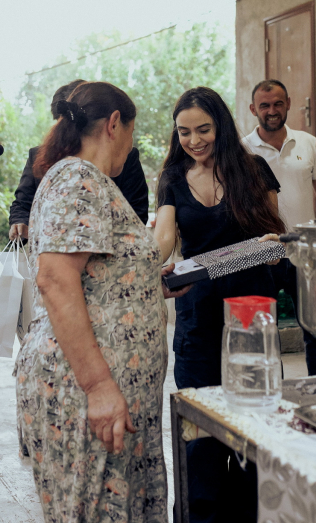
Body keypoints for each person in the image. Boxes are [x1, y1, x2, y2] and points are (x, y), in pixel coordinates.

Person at [15, 81, 188, 523]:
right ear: (114, 125)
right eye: (131, 133)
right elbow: (56, 279)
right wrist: (98, 387)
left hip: (114, 392)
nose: (131, 148)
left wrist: (148, 284)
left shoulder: (83, 180)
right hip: (87, 390)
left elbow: (97, 275)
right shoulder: (78, 179)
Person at [154, 86, 284, 523]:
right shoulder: (172, 178)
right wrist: (148, 265)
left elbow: (274, 235)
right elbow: (164, 241)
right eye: (185, 132)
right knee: (200, 436)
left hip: (252, 314)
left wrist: (273, 243)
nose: (194, 140)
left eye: (203, 129)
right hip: (198, 319)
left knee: (254, 431)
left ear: (221, 126)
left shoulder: (255, 170)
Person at [243, 79, 316, 376]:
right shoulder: (243, 150)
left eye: (278, 103)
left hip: (306, 253)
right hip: (262, 255)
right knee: (263, 335)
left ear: (289, 104)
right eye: (265, 105)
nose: (272, 110)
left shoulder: (308, 142)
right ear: (253, 108)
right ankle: (269, 395)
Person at [9, 80, 149, 240]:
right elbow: (59, 261)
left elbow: (137, 212)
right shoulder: (75, 177)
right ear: (113, 124)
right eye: (131, 131)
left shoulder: (80, 173)